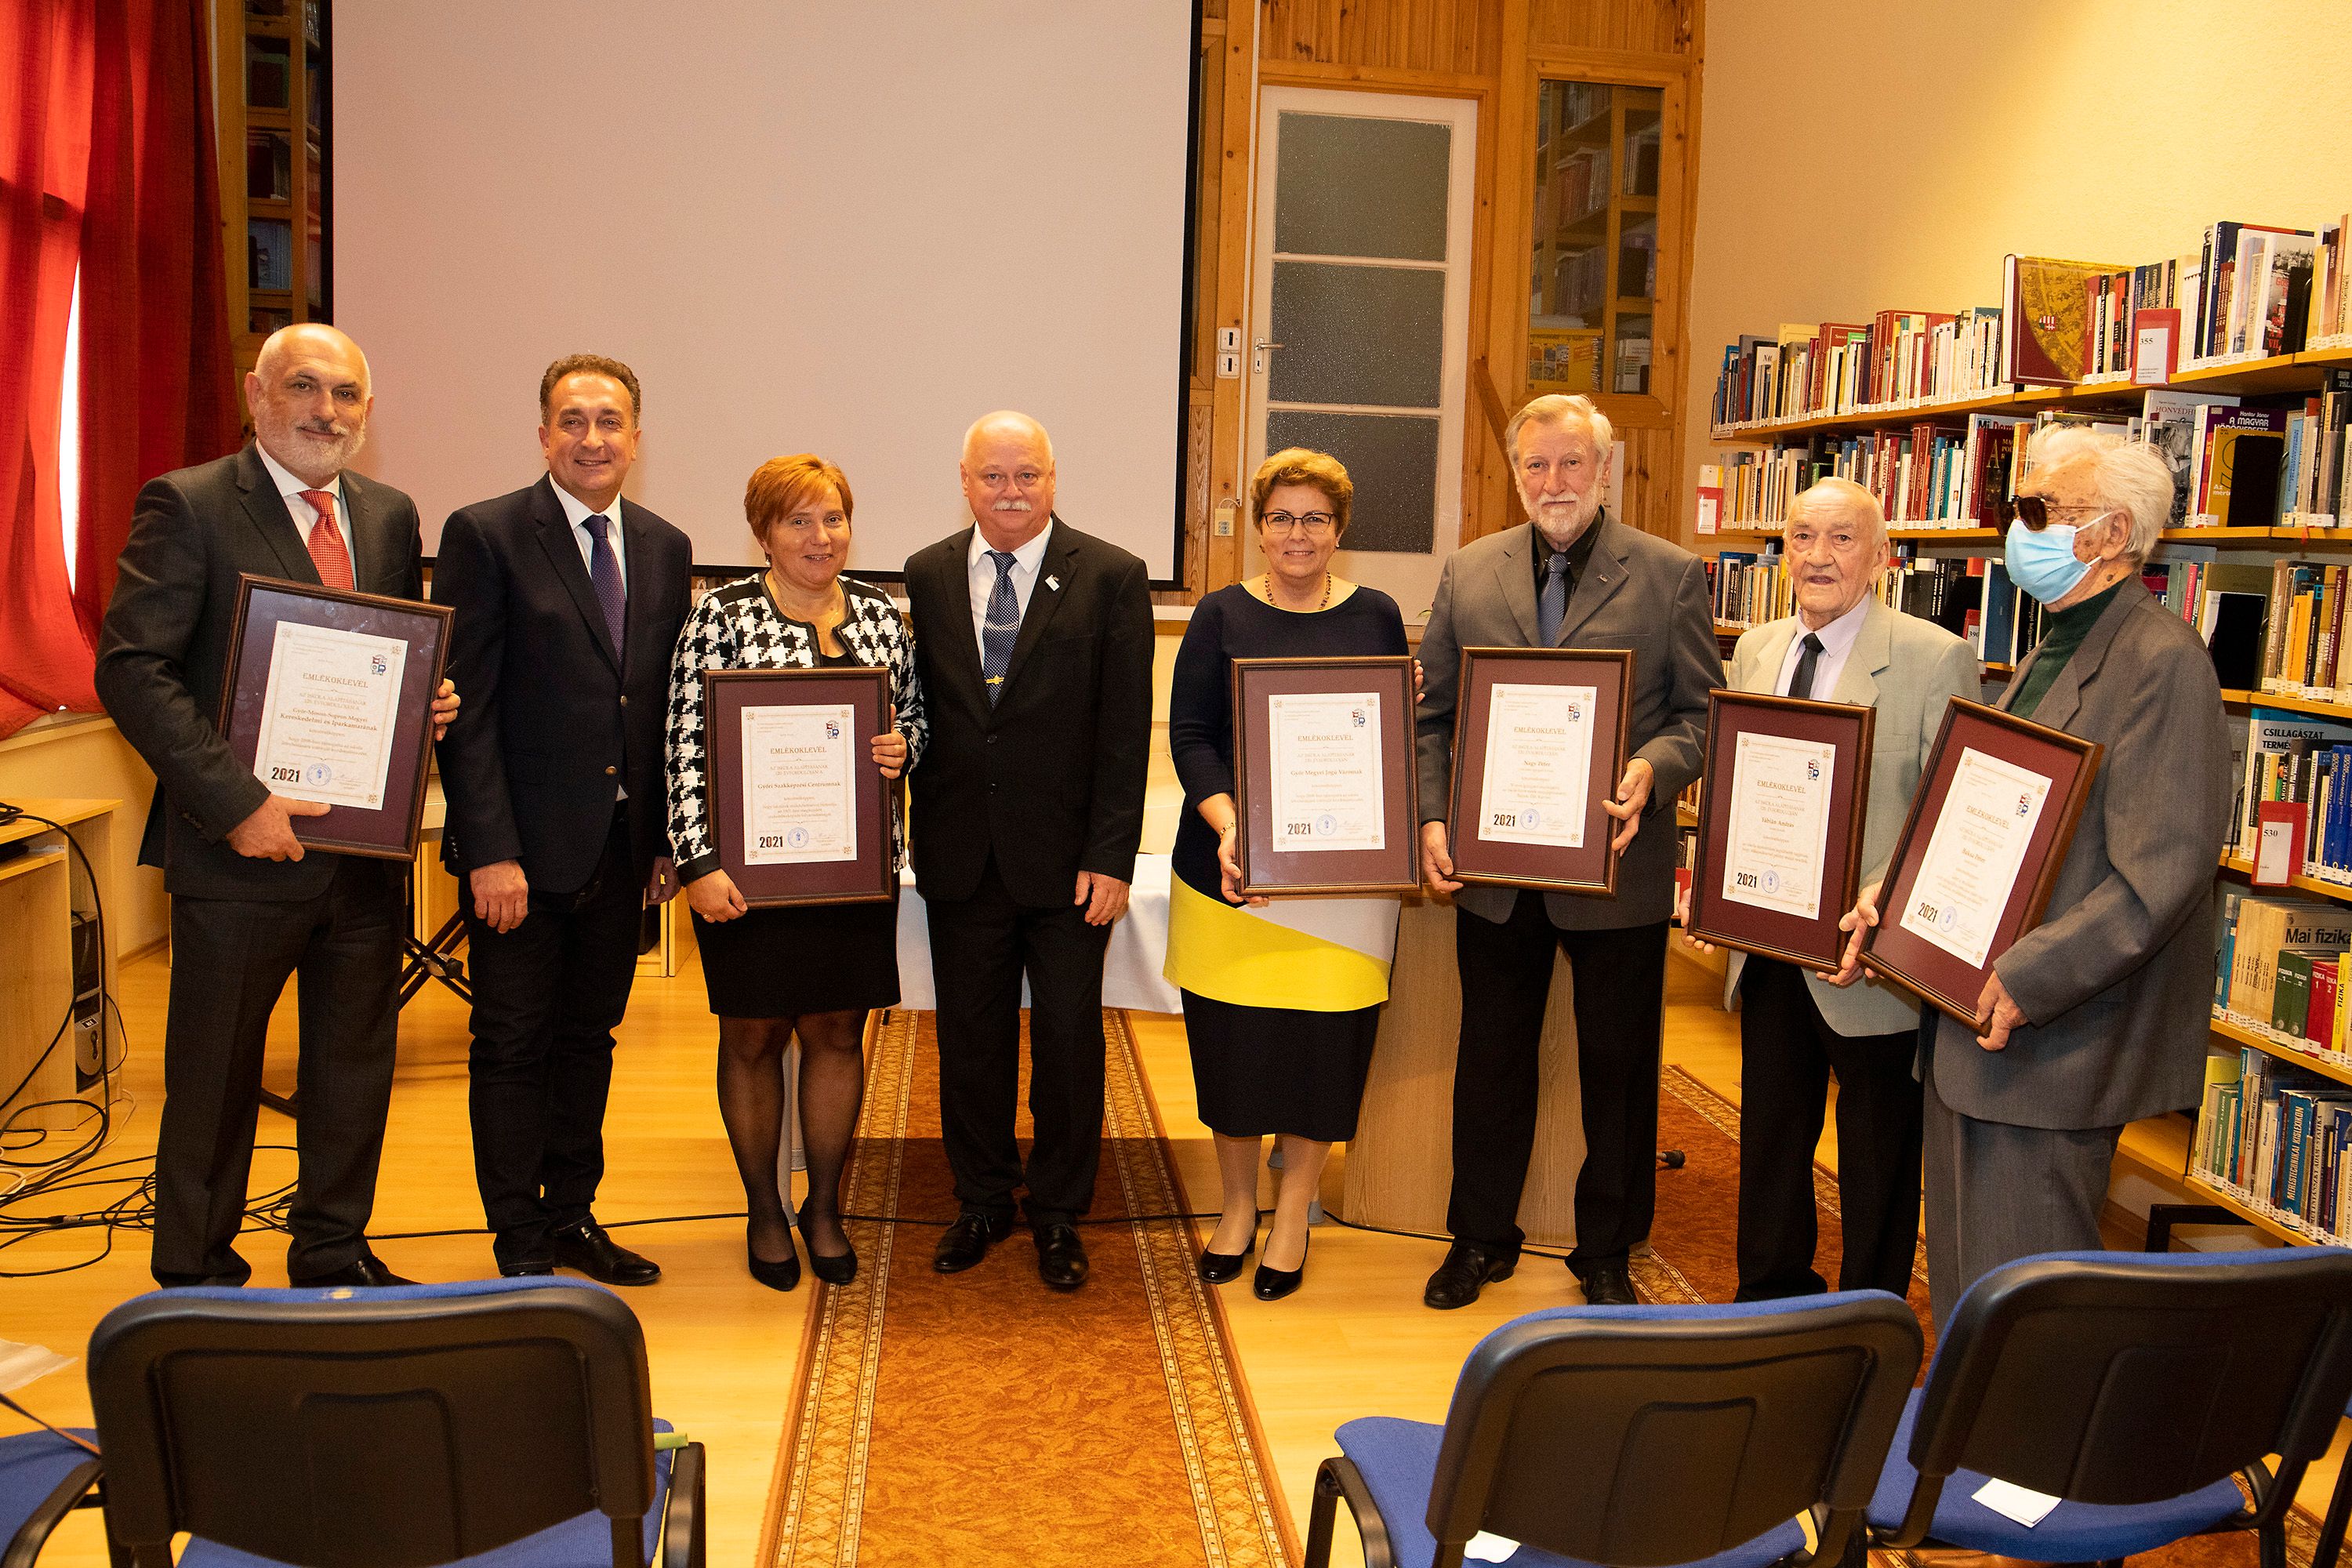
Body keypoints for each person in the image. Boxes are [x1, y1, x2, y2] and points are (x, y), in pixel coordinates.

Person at [94, 323, 459, 1288]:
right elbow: (135, 670)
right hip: (237, 853)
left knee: (353, 1068)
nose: (324, 412)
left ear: (368, 414)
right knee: (215, 1078)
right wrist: (236, 800)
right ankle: (198, 1271)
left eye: (345, 396)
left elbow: (380, 654)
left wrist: (425, 701)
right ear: (258, 396)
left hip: (361, 855)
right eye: (304, 388)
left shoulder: (387, 515)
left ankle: (332, 1250)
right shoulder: (193, 503)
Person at [1844, 426, 2229, 1327]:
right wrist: (1892, 897)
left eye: (2037, 510)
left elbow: (2162, 870)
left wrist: (2030, 973)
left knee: (2029, 1298)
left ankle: (2036, 1463)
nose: (2017, 529)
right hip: (1973, 1023)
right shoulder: (2054, 645)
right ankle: (1977, 1452)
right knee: (1975, 1287)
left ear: (2109, 532)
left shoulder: (2160, 660)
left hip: (2053, 1036)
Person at [1414, 392, 1716, 1310]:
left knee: (1618, 1066)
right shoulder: (1469, 572)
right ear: (1515, 475)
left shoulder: (1669, 575)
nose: (1553, 482)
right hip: (1495, 874)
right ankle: (1480, 1236)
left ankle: (1608, 1247)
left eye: (1571, 464)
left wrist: (1649, 770)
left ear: (1605, 469)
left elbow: (1703, 716)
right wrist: (1433, 817)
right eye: (1535, 466)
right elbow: (1432, 718)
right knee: (1490, 1057)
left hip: (1615, 868)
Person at [1681, 477, 1978, 1301]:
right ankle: (1771, 1292)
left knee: (1879, 1147)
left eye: (1842, 538)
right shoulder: (1758, 648)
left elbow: (1950, 808)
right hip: (1770, 936)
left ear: (1881, 556)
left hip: (1867, 953)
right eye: (1802, 536)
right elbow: (1742, 784)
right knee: (1772, 1128)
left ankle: (1868, 1307)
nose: (1818, 555)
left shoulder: (1933, 655)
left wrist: (1880, 904)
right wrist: (1713, 881)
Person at [433, 354, 694, 1284]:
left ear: (637, 437)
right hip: (522, 856)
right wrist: (489, 849)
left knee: (590, 1038)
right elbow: (466, 710)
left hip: (621, 855)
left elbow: (664, 706)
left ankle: (573, 1211)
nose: (593, 438)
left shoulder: (665, 544)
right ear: (544, 434)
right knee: (511, 1042)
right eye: (573, 420)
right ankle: (518, 1239)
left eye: (611, 421)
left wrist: (665, 838)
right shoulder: (488, 535)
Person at [902, 411, 1153, 1291]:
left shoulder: (1114, 576)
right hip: (962, 851)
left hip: (1070, 861)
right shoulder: (926, 574)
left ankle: (1058, 1211)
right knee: (969, 1040)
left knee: (1069, 1040)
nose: (1011, 492)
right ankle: (981, 1199)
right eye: (994, 477)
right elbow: (924, 709)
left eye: (1028, 476)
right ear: (965, 481)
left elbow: (1125, 732)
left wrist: (1112, 855)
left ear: (1054, 478)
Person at [666, 455, 924, 1292]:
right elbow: (684, 746)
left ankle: (825, 1206)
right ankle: (764, 1206)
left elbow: (915, 718)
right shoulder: (723, 615)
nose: (821, 537)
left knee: (837, 1033)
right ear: (764, 532)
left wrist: (903, 747)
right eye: (798, 521)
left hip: (851, 874)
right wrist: (698, 861)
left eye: (834, 518)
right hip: (748, 879)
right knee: (752, 1034)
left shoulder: (884, 614)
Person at [1163, 449, 1409, 1301]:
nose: (1297, 533)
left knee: (1319, 1054)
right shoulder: (1218, 614)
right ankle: (1236, 1208)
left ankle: (1295, 1208)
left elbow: (1388, 739)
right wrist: (1233, 824)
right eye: (1281, 517)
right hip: (1232, 872)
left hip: (1343, 883)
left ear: (1339, 529)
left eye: (1314, 518)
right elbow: (1190, 733)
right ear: (1259, 528)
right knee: (1233, 1050)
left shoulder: (1378, 614)